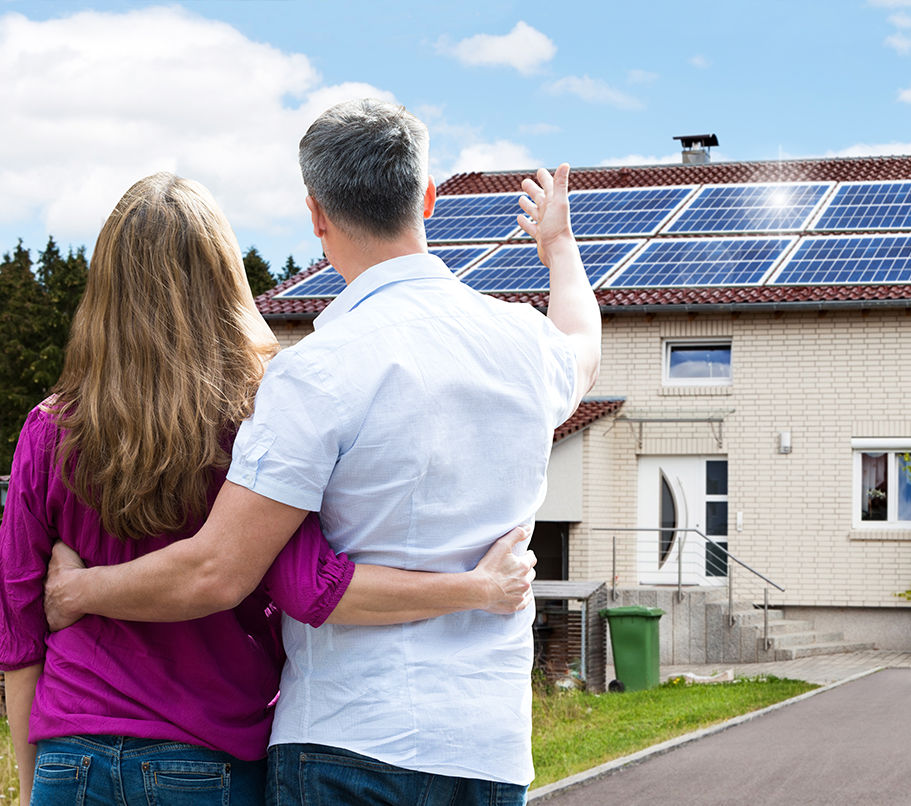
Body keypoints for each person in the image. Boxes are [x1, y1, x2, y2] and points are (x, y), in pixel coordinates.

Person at [44, 99, 600, 804]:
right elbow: (584, 345)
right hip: (483, 748)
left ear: (316, 214)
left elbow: (218, 570)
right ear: (426, 198)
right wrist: (557, 247)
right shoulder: (524, 346)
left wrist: (77, 590)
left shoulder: (316, 371)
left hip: (345, 739)